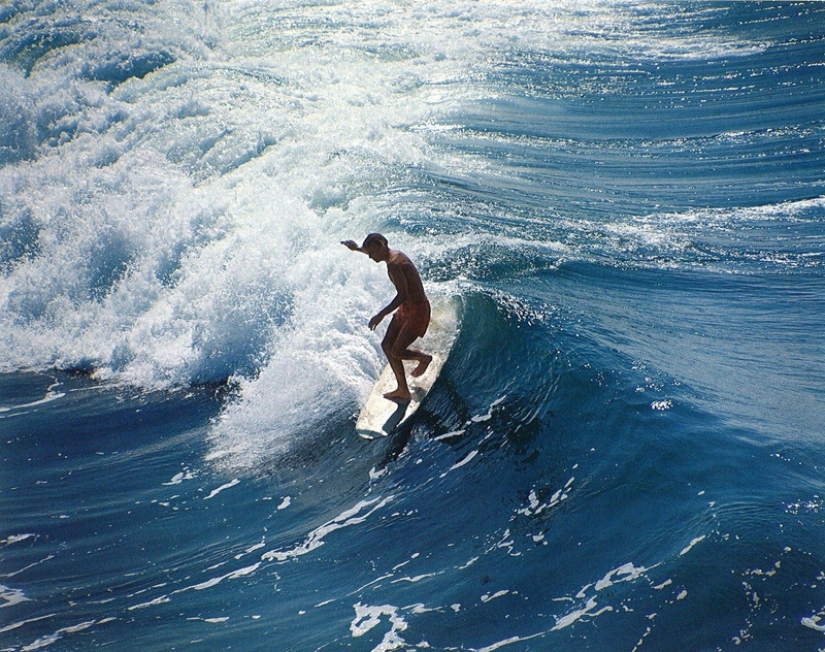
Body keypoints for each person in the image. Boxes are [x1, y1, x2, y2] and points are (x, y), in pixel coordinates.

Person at [342, 233, 432, 401]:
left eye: (371, 253)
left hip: (417, 311)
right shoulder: (390, 256)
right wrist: (356, 249)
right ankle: (402, 389)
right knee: (386, 345)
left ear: (380, 246)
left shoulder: (396, 266)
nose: (369, 257)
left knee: (397, 351)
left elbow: (402, 295)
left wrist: (380, 315)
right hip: (407, 308)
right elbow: (374, 252)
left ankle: (424, 358)